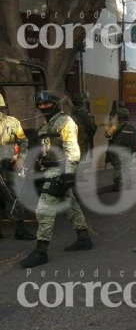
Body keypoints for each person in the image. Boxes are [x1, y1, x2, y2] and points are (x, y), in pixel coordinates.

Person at [20, 91, 92, 269]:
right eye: (41, 105)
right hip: (50, 169)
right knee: (71, 206)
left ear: (55, 104)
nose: (44, 107)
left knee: (44, 210)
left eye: (47, 104)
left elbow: (72, 149)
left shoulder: (65, 121)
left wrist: (68, 175)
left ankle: (41, 251)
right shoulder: (46, 125)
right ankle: (84, 238)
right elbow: (46, 150)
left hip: (60, 170)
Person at [0, 93, 35, 240]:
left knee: (14, 197)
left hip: (8, 165)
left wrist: (21, 159)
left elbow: (23, 141)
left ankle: (20, 229)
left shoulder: (12, 122)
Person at [105, 108, 136, 192]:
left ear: (119, 116)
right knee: (126, 167)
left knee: (118, 167)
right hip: (128, 151)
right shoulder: (132, 127)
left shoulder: (116, 126)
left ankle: (118, 185)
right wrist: (133, 150)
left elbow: (107, 135)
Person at [70, 93, 97, 180]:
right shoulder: (84, 112)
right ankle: (78, 176)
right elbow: (91, 125)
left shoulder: (69, 111)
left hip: (70, 138)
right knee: (81, 158)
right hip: (81, 139)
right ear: (82, 101)